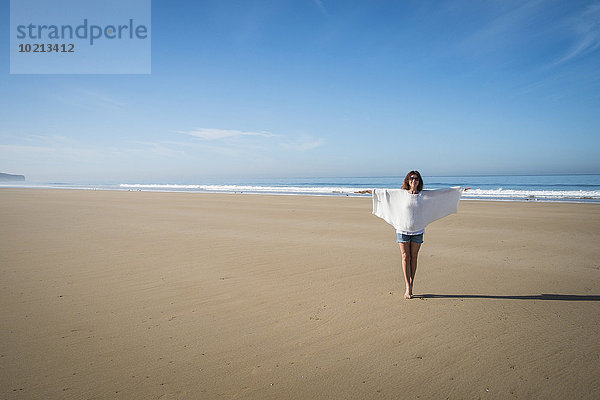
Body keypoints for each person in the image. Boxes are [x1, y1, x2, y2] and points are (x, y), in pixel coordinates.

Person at [356, 171, 469, 299]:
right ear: (407, 181)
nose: (413, 181)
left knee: (413, 257)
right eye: (411, 179)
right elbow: (384, 193)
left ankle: (412, 284)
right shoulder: (401, 194)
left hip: (418, 231)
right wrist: (367, 191)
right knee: (405, 257)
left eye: (416, 179)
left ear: (419, 181)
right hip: (402, 230)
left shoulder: (424, 195)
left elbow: (441, 193)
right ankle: (407, 287)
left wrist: (460, 190)